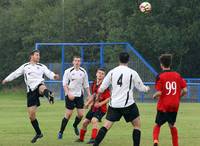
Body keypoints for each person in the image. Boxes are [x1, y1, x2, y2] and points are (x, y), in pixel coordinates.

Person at [1, 49, 59, 143]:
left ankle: (49, 95)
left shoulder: (41, 66)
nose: (38, 57)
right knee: (32, 116)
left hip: (39, 86)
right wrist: (7, 79)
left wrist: (54, 76)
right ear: (31, 56)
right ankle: (39, 133)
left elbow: (49, 73)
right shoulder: (25, 66)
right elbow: (15, 73)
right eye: (37, 55)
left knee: (41, 87)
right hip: (31, 91)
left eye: (39, 55)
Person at [93, 52, 150, 146]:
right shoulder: (132, 72)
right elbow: (141, 88)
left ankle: (95, 145)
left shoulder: (112, 72)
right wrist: (147, 89)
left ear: (119, 60)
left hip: (114, 104)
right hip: (128, 105)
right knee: (137, 125)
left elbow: (101, 89)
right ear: (128, 60)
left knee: (106, 126)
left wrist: (97, 99)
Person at [152, 54, 187, 146]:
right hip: (174, 105)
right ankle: (175, 144)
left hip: (164, 105)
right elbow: (185, 90)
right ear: (170, 64)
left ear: (161, 64)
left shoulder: (160, 76)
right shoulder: (177, 75)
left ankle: (155, 141)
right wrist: (178, 97)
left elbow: (159, 92)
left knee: (158, 124)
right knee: (172, 125)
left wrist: (154, 96)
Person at [58, 56, 91, 139]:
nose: (77, 62)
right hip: (70, 95)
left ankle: (75, 125)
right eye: (75, 60)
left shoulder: (83, 71)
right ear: (73, 62)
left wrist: (89, 95)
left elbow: (86, 84)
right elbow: (64, 84)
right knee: (68, 115)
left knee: (81, 115)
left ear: (80, 62)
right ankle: (61, 132)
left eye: (79, 61)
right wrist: (68, 93)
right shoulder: (68, 71)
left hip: (79, 95)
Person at [76, 68, 110, 144]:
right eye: (99, 73)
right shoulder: (94, 83)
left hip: (101, 109)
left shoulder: (105, 86)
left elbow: (108, 98)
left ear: (104, 76)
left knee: (94, 120)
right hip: (93, 108)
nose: (100, 75)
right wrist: (88, 103)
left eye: (102, 73)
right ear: (96, 74)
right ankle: (81, 139)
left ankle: (93, 139)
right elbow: (94, 95)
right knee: (84, 122)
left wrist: (100, 104)